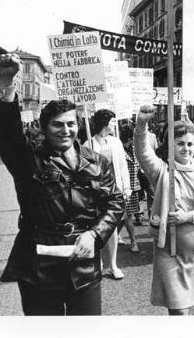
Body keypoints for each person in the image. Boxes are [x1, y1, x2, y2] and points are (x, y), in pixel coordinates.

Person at [0, 53, 124, 315]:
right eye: (57, 125)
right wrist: (6, 82)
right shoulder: (28, 159)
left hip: (84, 264)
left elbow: (115, 203)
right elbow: (7, 133)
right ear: (44, 127)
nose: (66, 130)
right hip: (38, 265)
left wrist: (95, 234)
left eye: (71, 124)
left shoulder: (97, 161)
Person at [134, 105, 194, 315]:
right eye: (180, 144)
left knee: (186, 305)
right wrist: (141, 125)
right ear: (171, 147)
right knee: (179, 308)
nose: (186, 148)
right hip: (169, 250)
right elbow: (143, 153)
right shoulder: (162, 171)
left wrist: (188, 217)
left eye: (190, 144)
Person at [85, 109, 131, 280]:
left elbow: (123, 166)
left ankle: (113, 264)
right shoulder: (88, 144)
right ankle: (98, 262)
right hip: (97, 193)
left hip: (114, 191)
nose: (114, 124)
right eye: (112, 121)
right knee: (96, 227)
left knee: (112, 228)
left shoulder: (116, 142)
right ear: (105, 123)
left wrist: (126, 188)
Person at [119, 125, 141, 253]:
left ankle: (113, 235)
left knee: (125, 215)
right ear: (129, 138)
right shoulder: (119, 150)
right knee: (127, 216)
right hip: (123, 188)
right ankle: (133, 242)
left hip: (134, 187)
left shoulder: (134, 149)